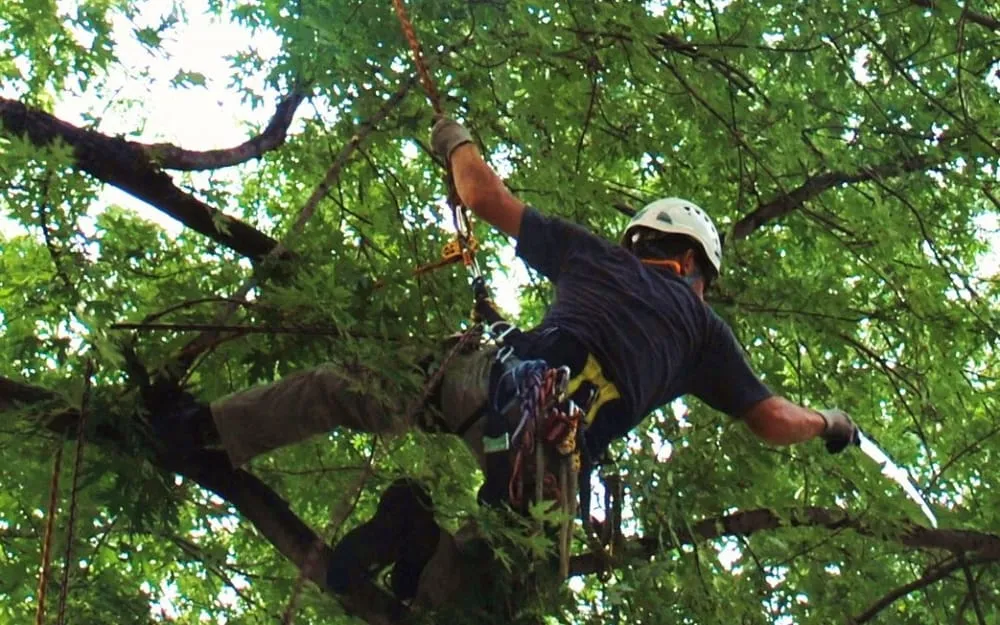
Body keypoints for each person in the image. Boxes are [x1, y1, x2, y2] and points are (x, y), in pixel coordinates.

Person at [153, 118, 859, 611]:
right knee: (504, 591)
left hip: (489, 376)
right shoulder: (703, 330)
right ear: (687, 261)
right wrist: (830, 420)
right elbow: (771, 419)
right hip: (550, 438)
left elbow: (481, 194)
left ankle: (205, 427)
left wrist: (455, 138)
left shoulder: (595, 254)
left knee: (341, 387)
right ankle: (424, 553)